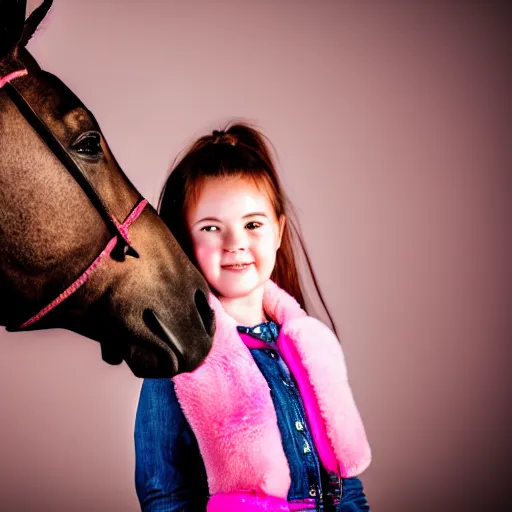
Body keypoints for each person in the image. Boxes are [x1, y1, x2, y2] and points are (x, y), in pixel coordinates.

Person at [134, 123, 372, 511]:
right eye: (212, 227)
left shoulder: (312, 345)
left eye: (252, 224)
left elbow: (348, 487)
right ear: (184, 241)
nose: (236, 243)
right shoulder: (179, 360)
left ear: (277, 231)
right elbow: (165, 496)